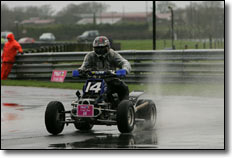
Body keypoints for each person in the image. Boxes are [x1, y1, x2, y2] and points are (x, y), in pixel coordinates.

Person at [78, 36, 131, 102]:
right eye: (97, 48)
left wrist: (125, 70)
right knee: (85, 90)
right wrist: (80, 71)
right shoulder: (90, 56)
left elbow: (124, 62)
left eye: (102, 48)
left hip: (111, 80)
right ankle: (84, 102)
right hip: (94, 81)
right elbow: (84, 66)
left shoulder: (113, 54)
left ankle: (125, 104)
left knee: (123, 87)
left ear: (108, 47)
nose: (100, 50)